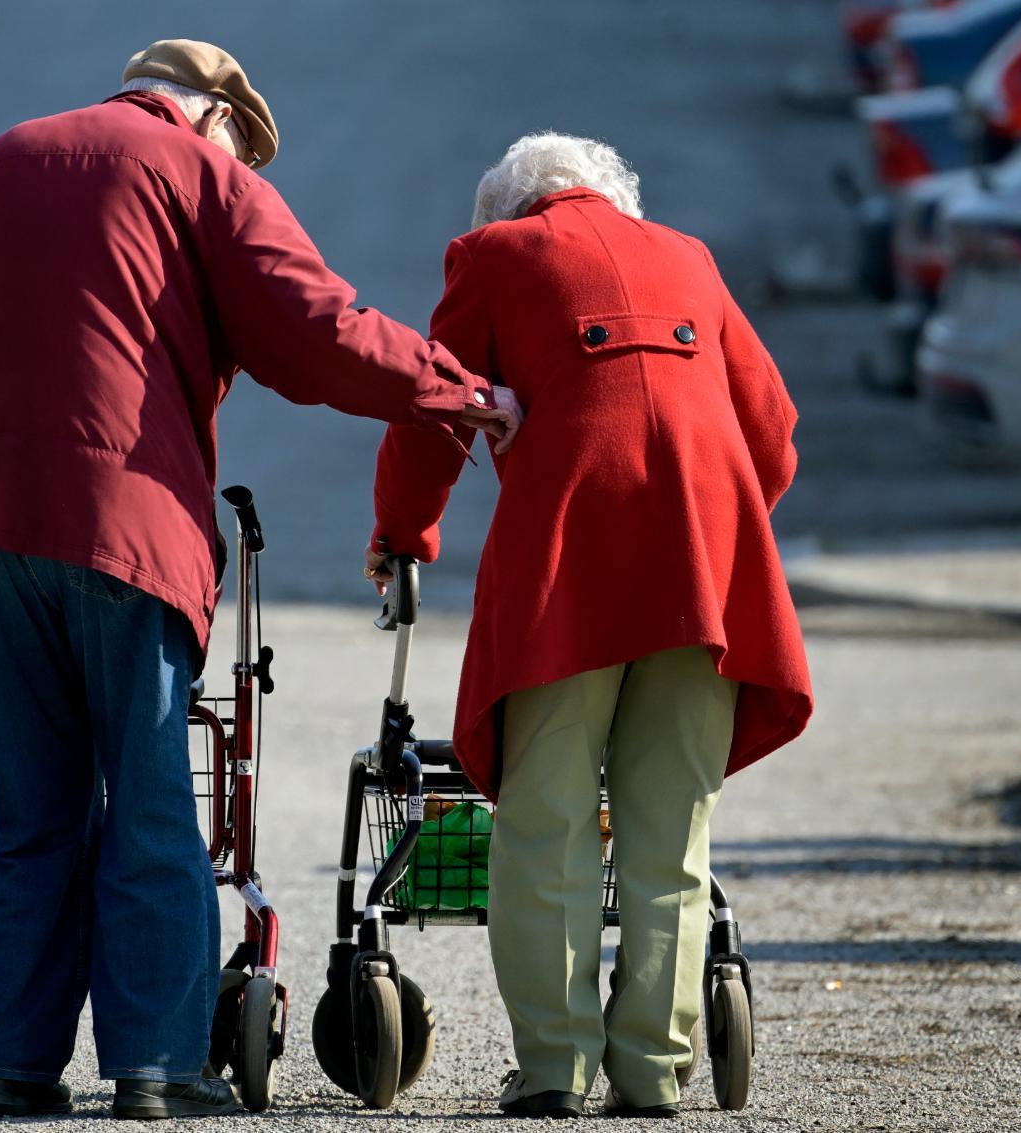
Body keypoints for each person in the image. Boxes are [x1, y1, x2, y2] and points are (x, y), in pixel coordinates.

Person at [0, 40, 519, 1121]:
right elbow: (315, 328)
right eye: (244, 153)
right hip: (126, 530)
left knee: (34, 810)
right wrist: (455, 389)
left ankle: (8, 1065)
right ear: (212, 122)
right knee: (154, 799)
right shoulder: (201, 175)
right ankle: (155, 1063)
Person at [366, 132, 813, 1119]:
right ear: (615, 197)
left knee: (548, 819)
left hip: (568, 571)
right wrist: (718, 531)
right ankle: (652, 1071)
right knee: (670, 829)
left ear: (508, 209)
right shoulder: (687, 256)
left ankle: (554, 1069)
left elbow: (433, 410)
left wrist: (402, 537)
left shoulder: (489, 258)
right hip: (702, 576)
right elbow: (771, 430)